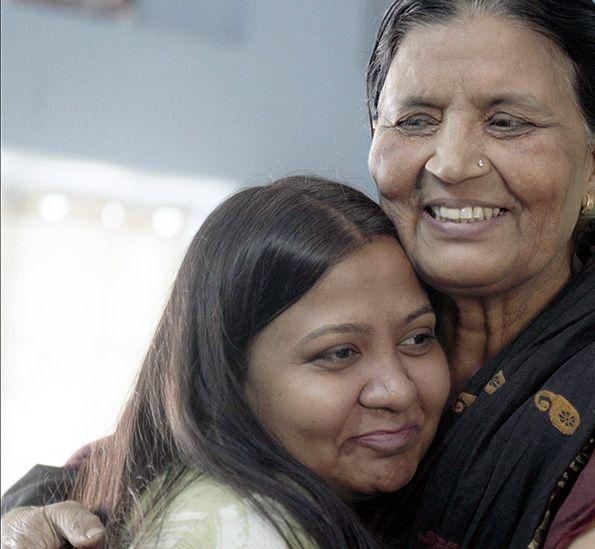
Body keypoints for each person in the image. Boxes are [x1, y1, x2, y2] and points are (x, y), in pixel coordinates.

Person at [3, 1, 595, 547]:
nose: (453, 163)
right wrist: (35, 512)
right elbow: (185, 435)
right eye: (415, 119)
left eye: (508, 121)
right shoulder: (367, 287)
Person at [1, 176, 451, 548]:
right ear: (227, 377)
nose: (399, 389)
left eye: (417, 338)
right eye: (339, 353)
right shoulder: (238, 527)